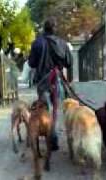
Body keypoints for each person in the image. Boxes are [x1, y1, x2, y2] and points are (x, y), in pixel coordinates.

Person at [28, 17, 72, 151]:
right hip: (57, 80)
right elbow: (69, 63)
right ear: (55, 29)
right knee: (55, 112)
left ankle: (49, 137)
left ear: (44, 28)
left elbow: (31, 63)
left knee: (44, 110)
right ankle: (53, 140)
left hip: (42, 81)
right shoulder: (62, 43)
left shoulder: (36, 43)